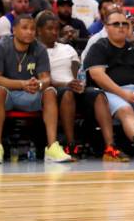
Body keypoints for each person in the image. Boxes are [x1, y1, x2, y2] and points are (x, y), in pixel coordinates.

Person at [36, 11, 128, 161]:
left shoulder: (67, 49)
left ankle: (110, 147)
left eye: (56, 28)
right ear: (38, 30)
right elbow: (43, 78)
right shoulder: (36, 51)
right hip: (51, 91)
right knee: (67, 93)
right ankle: (71, 145)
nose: (54, 32)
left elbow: (77, 72)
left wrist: (79, 84)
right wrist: (68, 84)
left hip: (72, 86)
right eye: (49, 28)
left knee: (98, 94)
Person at [84, 9, 134, 161]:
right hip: (111, 94)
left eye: (124, 24)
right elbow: (97, 75)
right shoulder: (99, 46)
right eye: (116, 24)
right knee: (126, 109)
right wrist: (123, 94)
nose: (121, 27)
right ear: (106, 27)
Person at [0, 14, 72, 164]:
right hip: (8, 94)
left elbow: (46, 78)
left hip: (31, 93)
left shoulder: (39, 48)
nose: (29, 32)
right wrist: (21, 84)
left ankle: (52, 147)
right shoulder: (1, 47)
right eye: (24, 28)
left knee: (50, 91)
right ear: (14, 30)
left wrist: (38, 85)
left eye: (32, 29)